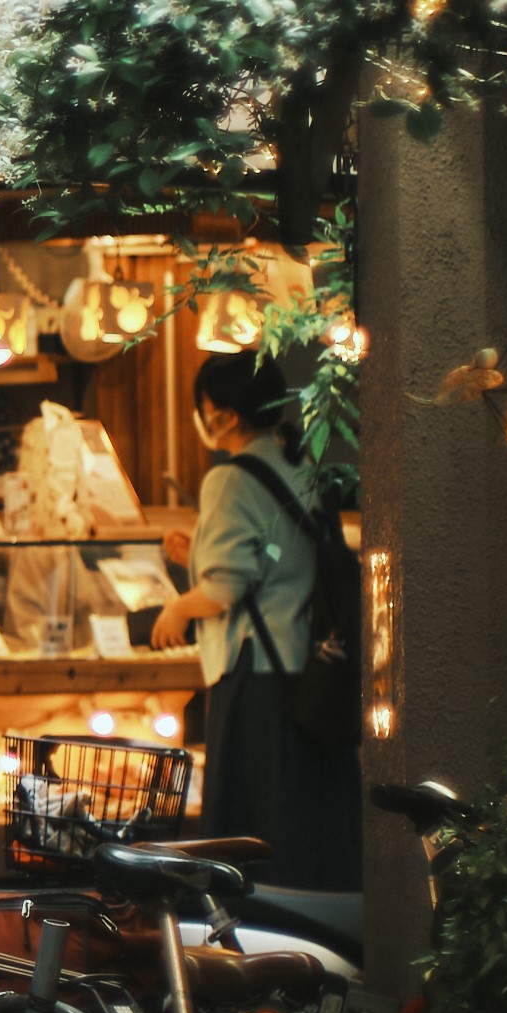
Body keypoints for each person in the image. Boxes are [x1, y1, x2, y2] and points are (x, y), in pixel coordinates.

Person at [148, 348, 363, 892]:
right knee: (306, 831)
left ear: (226, 415)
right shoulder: (302, 472)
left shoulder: (229, 479)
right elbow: (275, 554)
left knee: (253, 843)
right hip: (310, 675)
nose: (204, 419)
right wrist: (197, 548)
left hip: (257, 679)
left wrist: (177, 607)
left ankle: (253, 958)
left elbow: (226, 588)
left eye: (206, 407)